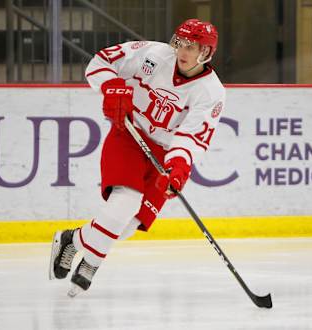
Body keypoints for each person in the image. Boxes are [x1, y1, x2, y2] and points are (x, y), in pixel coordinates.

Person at [49, 18, 226, 297]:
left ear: (206, 52)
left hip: (166, 154)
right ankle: (92, 262)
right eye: (180, 42)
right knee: (124, 203)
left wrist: (178, 168)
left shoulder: (212, 92)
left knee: (128, 226)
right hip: (129, 135)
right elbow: (101, 62)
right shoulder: (152, 55)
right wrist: (112, 86)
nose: (182, 50)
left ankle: (73, 240)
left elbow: (191, 137)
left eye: (192, 47)